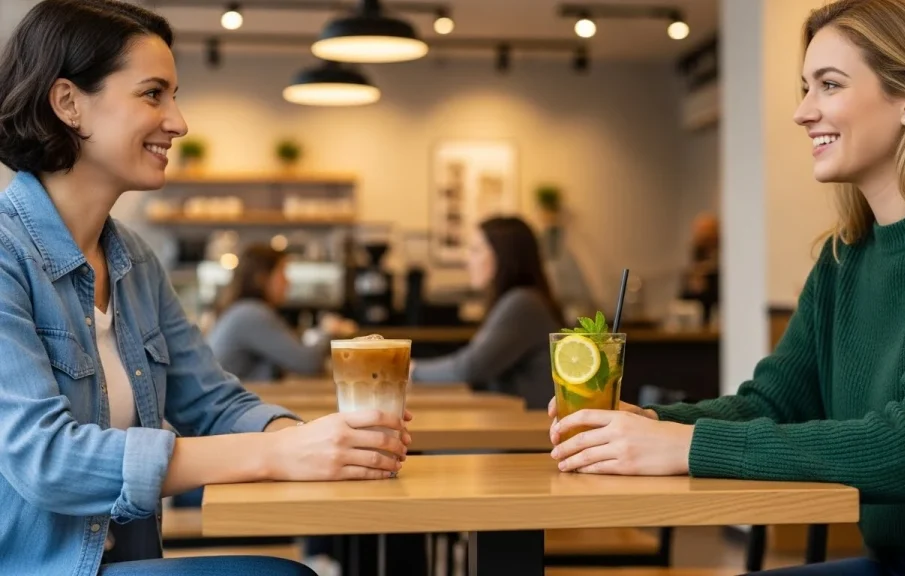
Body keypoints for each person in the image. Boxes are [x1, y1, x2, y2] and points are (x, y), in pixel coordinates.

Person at [549, 0, 905, 574]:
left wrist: (690, 448)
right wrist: (646, 426)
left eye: (828, 85)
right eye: (805, 87)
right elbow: (773, 405)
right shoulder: (844, 255)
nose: (802, 112)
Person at [0, 2, 411, 575]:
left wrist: (312, 439)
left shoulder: (134, 261)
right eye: (153, 94)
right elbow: (45, 461)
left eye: (175, 95)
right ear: (68, 102)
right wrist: (274, 452)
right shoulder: (4, 254)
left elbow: (213, 403)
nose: (178, 121)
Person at [411, 217, 562, 410]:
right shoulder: (521, 300)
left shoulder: (522, 303)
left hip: (535, 430)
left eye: (476, 250)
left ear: (503, 255)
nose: (468, 260)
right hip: (521, 423)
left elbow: (470, 367)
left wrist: (409, 370)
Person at [206, 243, 355, 382]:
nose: (288, 281)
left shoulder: (243, 311)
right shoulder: (250, 314)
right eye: (282, 273)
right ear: (262, 278)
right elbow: (308, 363)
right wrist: (329, 332)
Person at [678, 212, 719, 327]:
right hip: (694, 327)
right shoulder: (692, 268)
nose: (701, 238)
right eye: (698, 233)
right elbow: (683, 301)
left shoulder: (724, 268)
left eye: (706, 233)